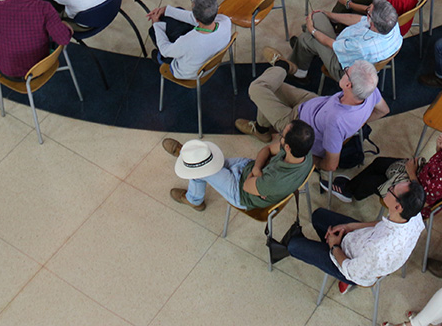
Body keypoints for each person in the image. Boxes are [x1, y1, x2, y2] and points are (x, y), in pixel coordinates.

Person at [238, 60, 389, 174]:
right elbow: (383, 110)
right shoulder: (370, 90)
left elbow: (330, 165)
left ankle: (282, 65)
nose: (345, 70)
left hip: (297, 125)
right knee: (269, 87)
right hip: (313, 104)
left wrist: (306, 158)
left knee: (258, 88)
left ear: (349, 85)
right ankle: (261, 129)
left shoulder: (336, 120)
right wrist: (358, 122)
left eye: (346, 71)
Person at [287, 179, 427, 291]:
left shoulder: (378, 249)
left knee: (293, 245)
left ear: (398, 207)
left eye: (392, 190)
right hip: (361, 241)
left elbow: (350, 270)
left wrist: (334, 246)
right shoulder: (413, 215)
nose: (389, 187)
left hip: (351, 266)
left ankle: (329, 255)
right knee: (318, 216)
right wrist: (350, 227)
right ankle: (326, 248)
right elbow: (383, 224)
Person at [325, 127, 442, 218]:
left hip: (415, 197)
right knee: (379, 162)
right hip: (421, 175)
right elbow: (437, 161)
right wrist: (439, 149)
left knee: (374, 182)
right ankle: (351, 189)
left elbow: (423, 197)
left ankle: (351, 192)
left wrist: (412, 173)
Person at [162, 120, 314, 211]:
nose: (279, 135)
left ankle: (187, 159)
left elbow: (247, 186)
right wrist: (256, 170)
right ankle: (190, 157)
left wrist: (256, 174)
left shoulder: (275, 180)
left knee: (201, 168)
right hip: (250, 169)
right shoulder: (303, 152)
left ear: (287, 147)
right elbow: (266, 149)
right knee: (210, 161)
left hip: (240, 192)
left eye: (281, 136)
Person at [281, 0, 402, 82]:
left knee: (306, 38)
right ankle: (304, 48)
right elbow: (359, 20)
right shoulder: (391, 23)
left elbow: (330, 43)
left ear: (374, 23)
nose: (366, 12)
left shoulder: (361, 46)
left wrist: (312, 29)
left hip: (343, 69)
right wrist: (329, 15)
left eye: (368, 12)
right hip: (366, 62)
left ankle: (299, 73)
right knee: (319, 16)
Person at [145, 0, 233, 80]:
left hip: (188, 73)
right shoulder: (226, 21)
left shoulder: (188, 41)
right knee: (178, 13)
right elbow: (192, 18)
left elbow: (165, 50)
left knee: (155, 33)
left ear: (196, 18)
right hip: (211, 64)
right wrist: (166, 10)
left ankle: (159, 58)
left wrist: (156, 24)